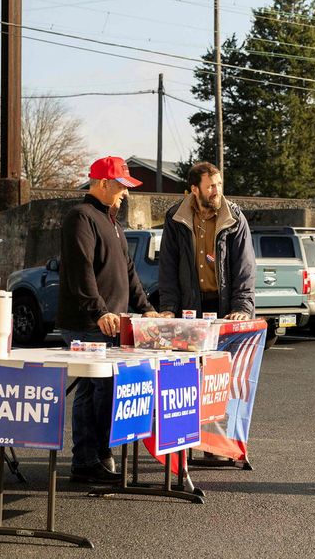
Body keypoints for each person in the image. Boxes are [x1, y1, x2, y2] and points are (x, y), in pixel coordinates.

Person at [57, 156, 159, 483]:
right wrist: (99, 311)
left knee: (97, 391)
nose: (125, 194)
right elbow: (80, 272)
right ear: (102, 183)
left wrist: (148, 310)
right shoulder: (80, 218)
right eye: (121, 186)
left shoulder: (113, 223)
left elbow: (129, 274)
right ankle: (91, 458)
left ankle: (92, 456)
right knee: (99, 390)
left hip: (110, 325)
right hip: (88, 324)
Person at [158, 161, 255, 321]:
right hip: (189, 310)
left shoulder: (235, 218)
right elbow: (168, 266)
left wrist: (241, 308)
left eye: (219, 184)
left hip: (228, 310)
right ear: (195, 189)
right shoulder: (175, 217)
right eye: (210, 186)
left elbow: (245, 268)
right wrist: (169, 308)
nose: (217, 191)